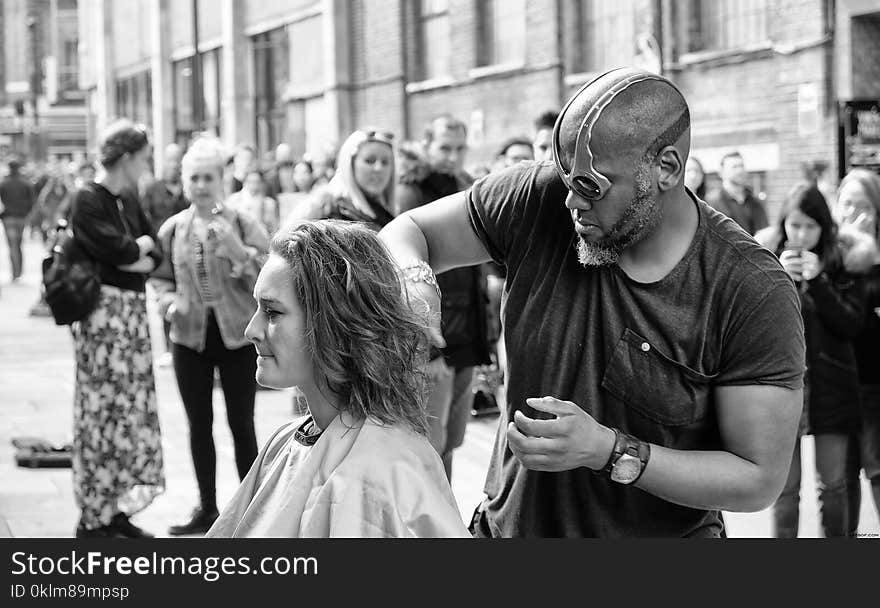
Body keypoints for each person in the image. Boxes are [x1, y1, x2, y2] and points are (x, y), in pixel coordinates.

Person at [379, 67, 806, 538]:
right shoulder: (535, 199)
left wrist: (607, 451)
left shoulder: (749, 287)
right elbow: (409, 232)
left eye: (591, 187)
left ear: (666, 168)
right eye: (565, 178)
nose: (569, 202)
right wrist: (414, 282)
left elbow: (758, 478)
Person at [206, 220, 469, 537]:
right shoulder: (285, 440)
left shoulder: (377, 475)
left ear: (333, 324)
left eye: (272, 312)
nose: (252, 330)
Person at [151, 136, 270, 535]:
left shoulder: (242, 223)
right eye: (194, 178)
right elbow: (161, 278)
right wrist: (168, 303)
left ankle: (252, 510)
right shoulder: (174, 229)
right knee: (198, 424)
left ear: (222, 179)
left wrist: (239, 252)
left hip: (237, 336)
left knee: (242, 423)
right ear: (185, 183)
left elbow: (272, 279)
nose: (201, 185)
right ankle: (207, 507)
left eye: (208, 177)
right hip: (189, 339)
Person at [755, 185, 870, 537]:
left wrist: (818, 280)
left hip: (832, 383)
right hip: (782, 385)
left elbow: (850, 324)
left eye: (810, 226)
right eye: (794, 225)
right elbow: (756, 327)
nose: (801, 235)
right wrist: (780, 281)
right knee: (785, 489)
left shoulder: (845, 261)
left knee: (834, 485)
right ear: (783, 224)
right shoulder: (765, 259)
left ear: (824, 227)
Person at [68, 120, 165, 538]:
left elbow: (153, 252)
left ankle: (115, 507)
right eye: (144, 156)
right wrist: (135, 253)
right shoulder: (88, 198)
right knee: (101, 409)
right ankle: (95, 514)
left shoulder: (127, 199)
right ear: (127, 157)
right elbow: (122, 249)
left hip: (130, 318)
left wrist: (135, 255)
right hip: (104, 320)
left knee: (128, 411)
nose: (148, 164)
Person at [395, 115, 492, 480]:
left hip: (467, 332)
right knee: (429, 446)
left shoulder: (465, 185)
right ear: (426, 144)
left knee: (451, 440)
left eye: (459, 148)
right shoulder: (411, 191)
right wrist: (426, 344)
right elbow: (404, 272)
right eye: (444, 148)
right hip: (433, 337)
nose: (452, 156)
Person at [835, 169, 880, 528]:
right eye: (847, 203)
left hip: (874, 379)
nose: (854, 212)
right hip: (835, 377)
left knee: (877, 467)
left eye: (863, 205)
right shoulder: (830, 252)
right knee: (842, 475)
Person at [286, 128, 396, 229]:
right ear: (350, 164)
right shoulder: (329, 213)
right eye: (369, 160)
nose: (378, 168)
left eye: (385, 162)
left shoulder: (383, 211)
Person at [705, 151, 768, 235]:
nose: (740, 170)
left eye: (741, 166)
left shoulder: (755, 201)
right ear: (721, 172)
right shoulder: (712, 202)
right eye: (734, 167)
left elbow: (764, 231)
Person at [0, 159, 35, 282]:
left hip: (8, 218)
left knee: (13, 245)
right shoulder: (25, 183)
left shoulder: (4, 183)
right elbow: (32, 201)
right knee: (18, 244)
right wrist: (27, 213)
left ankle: (15, 272)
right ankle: (18, 271)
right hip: (21, 217)